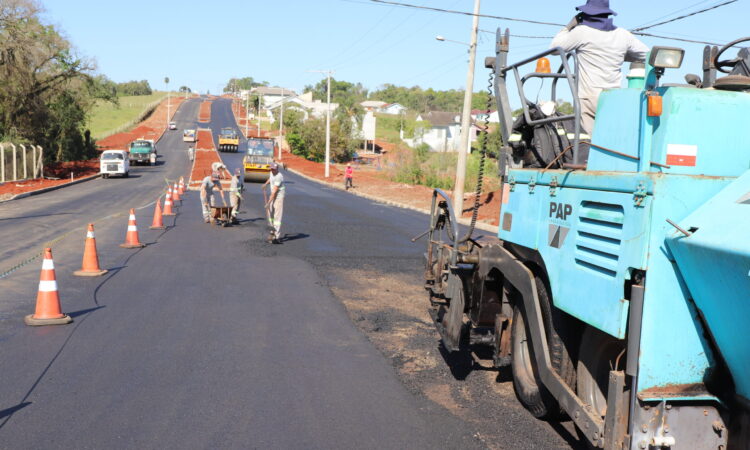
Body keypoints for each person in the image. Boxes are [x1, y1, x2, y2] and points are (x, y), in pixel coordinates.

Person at [550, 0, 648, 135]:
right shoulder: (622, 34)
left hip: (589, 96)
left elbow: (555, 49)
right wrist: (617, 54)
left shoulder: (582, 31)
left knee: (589, 142)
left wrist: (569, 26)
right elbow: (646, 55)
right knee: (609, 139)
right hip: (613, 97)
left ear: (585, 14)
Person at [263, 162, 285, 244]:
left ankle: (277, 236)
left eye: (274, 169)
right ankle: (272, 231)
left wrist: (268, 202)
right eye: (271, 169)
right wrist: (265, 184)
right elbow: (270, 178)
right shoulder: (271, 173)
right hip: (273, 195)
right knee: (271, 213)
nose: (272, 170)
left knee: (277, 216)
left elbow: (275, 191)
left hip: (279, 197)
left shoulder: (279, 176)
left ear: (277, 169)